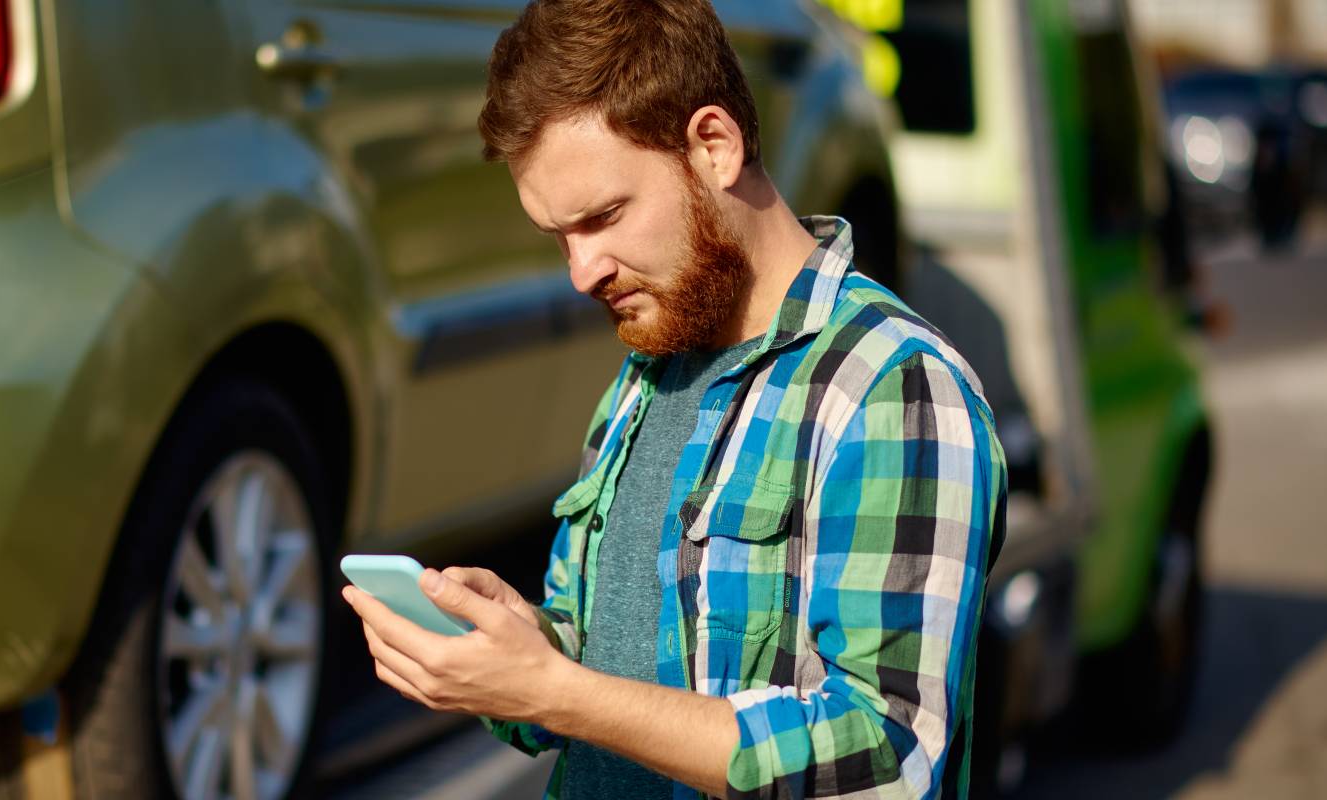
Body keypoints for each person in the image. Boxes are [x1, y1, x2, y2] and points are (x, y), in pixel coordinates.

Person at [340, 1, 1006, 797]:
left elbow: (885, 760)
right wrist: (519, 651)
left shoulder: (892, 388)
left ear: (714, 146)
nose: (582, 271)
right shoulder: (648, 369)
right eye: (561, 237)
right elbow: (611, 671)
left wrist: (557, 692)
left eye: (604, 216)